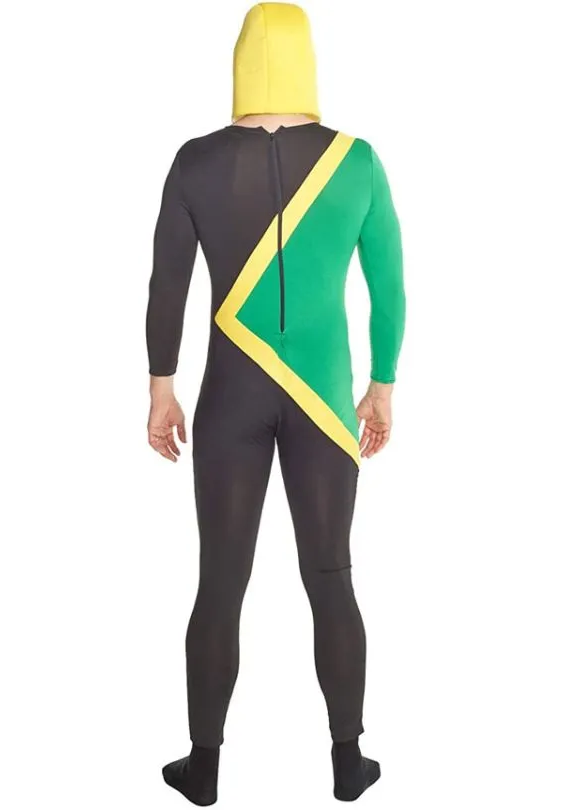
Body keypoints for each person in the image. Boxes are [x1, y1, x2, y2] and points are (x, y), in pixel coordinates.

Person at [145, 3, 405, 804]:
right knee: (331, 576)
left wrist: (161, 387)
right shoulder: (357, 162)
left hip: (229, 399)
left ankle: (204, 769)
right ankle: (348, 763)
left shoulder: (194, 162)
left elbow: (168, 284)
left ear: (240, 62)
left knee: (220, 582)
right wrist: (382, 385)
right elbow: (389, 286)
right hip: (325, 404)